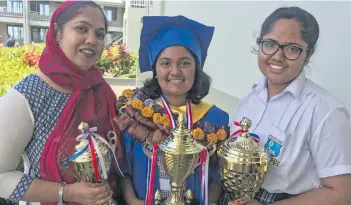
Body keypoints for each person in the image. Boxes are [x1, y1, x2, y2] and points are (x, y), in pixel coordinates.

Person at [220, 6, 351, 205]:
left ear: (308, 55)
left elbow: (341, 194)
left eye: (292, 49)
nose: (278, 56)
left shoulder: (326, 111)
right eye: (271, 44)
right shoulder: (251, 97)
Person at [0, 1, 125, 205]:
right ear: (57, 33)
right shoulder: (27, 95)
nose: (92, 40)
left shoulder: (101, 91)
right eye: (81, 28)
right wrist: (68, 193)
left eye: (100, 34)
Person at [114, 15, 230, 205]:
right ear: (155, 69)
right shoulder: (137, 115)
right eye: (165, 63)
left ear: (196, 68)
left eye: (185, 63)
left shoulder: (216, 118)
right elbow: (123, 165)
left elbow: (218, 174)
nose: (175, 71)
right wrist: (131, 200)